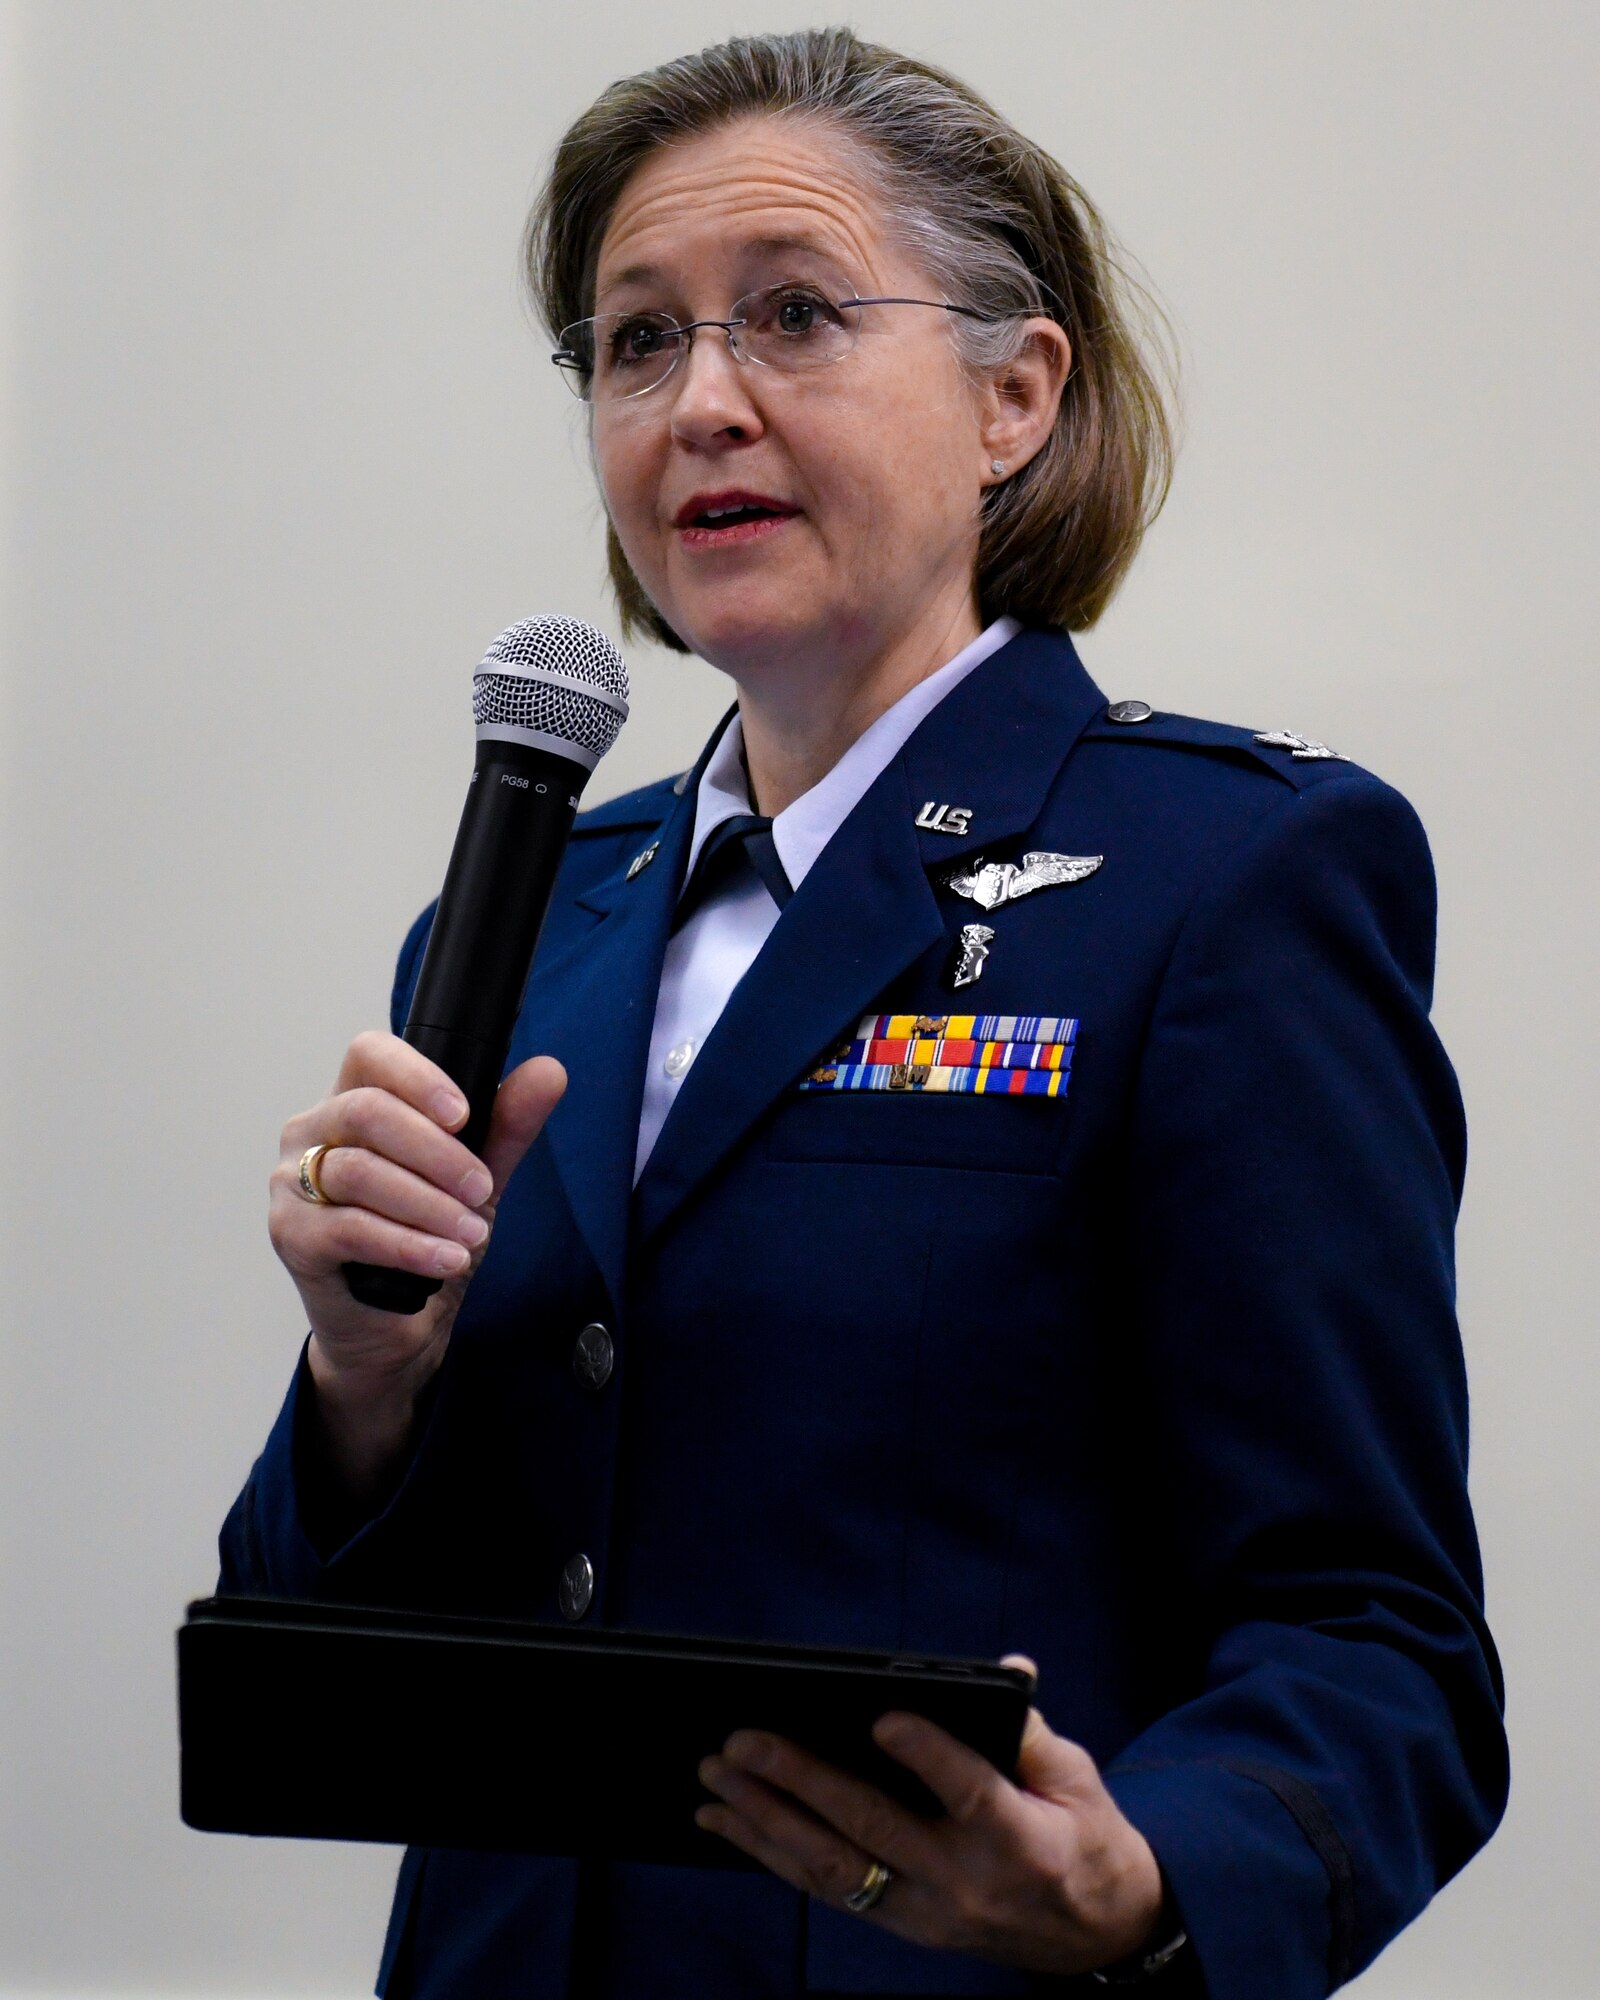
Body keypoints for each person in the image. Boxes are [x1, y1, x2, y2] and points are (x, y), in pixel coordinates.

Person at [220, 28, 1507, 2000]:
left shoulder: (1221, 886)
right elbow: (366, 1654)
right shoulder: (518, 927)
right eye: (634, 344)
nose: (698, 402)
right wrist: (359, 1383)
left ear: (1013, 394)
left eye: (792, 317)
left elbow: (1371, 1640)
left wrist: (1141, 1877)